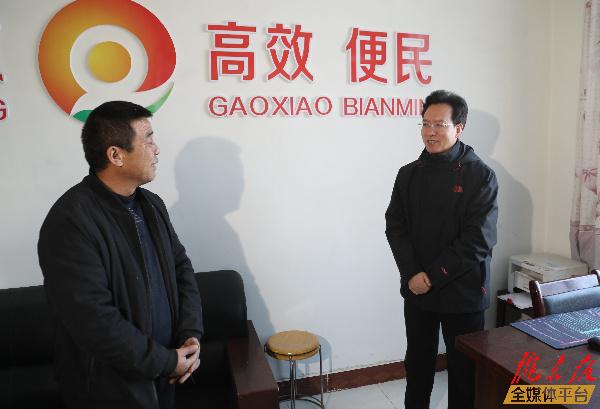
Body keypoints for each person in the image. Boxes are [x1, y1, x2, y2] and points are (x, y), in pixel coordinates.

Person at [38, 101, 204, 409]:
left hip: (164, 377)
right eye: (148, 140)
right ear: (116, 155)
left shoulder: (152, 205)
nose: (156, 149)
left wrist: (190, 335)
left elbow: (181, 269)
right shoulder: (71, 221)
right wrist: (165, 361)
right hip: (109, 391)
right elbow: (94, 321)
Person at [385, 90, 498, 409]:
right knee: (417, 365)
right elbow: (395, 226)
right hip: (417, 287)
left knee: (463, 373)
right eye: (425, 124)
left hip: (462, 291)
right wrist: (412, 274)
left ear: (459, 128)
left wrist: (432, 276)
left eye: (439, 124)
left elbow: (478, 240)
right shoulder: (408, 174)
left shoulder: (481, 176)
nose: (430, 132)